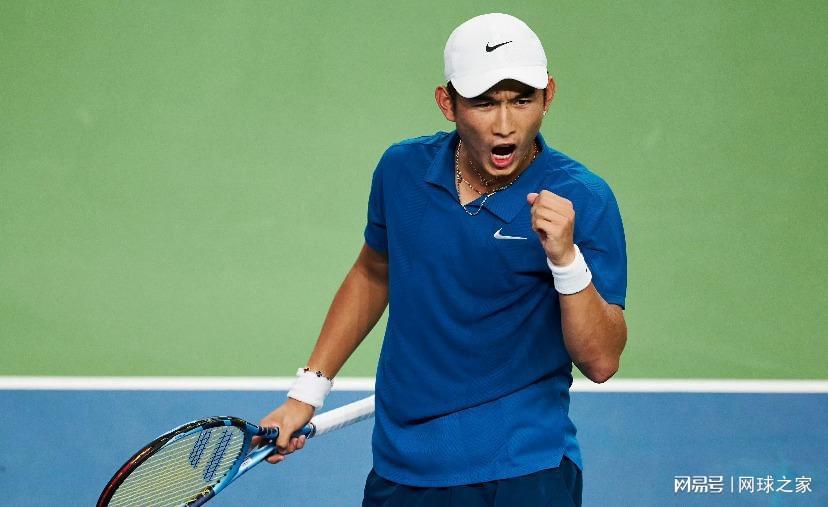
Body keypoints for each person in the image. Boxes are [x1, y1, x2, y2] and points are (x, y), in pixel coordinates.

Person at [257, 12, 627, 506]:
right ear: (446, 103)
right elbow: (373, 271)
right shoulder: (402, 171)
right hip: (404, 465)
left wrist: (566, 260)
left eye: (522, 100)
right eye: (483, 103)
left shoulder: (583, 198)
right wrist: (306, 393)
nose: (505, 125)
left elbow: (601, 361)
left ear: (549, 96)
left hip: (522, 468)